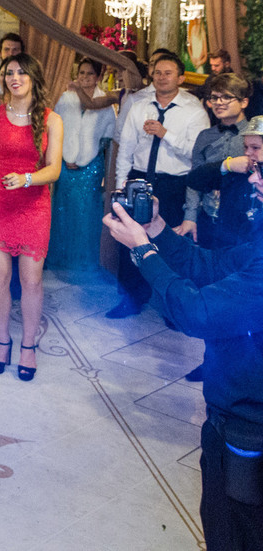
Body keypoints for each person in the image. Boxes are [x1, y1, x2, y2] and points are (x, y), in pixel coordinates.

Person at [103, 194, 263, 551]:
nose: (253, 177)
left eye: (262, 167)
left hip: (248, 431)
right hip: (234, 420)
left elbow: (197, 312)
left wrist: (144, 253)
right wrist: (156, 230)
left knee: (234, 535)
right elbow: (211, 265)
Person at [0, 53, 63, 381]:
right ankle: (2, 341)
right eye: (9, 73)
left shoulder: (52, 120)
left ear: (34, 79)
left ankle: (28, 346)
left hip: (33, 206)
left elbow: (54, 169)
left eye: (22, 73)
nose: (15, 78)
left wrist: (27, 178)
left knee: (31, 280)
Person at [108, 52, 209, 318]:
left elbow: (197, 154)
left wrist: (166, 134)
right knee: (130, 241)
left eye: (168, 73)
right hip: (139, 178)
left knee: (170, 244)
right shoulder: (140, 105)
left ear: (181, 77)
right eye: (157, 73)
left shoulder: (193, 110)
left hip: (173, 183)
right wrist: (120, 185)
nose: (162, 77)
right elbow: (126, 149)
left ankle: (172, 306)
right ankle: (131, 298)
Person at [47, 58, 116, 272]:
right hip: (65, 164)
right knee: (63, 210)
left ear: (98, 77)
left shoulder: (103, 101)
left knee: (86, 212)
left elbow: (107, 138)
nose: (84, 78)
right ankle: (60, 257)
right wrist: (64, 156)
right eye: (81, 73)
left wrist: (92, 160)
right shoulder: (66, 98)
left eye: (89, 74)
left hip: (91, 166)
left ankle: (84, 261)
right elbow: (55, 129)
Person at [185, 73, 252, 250]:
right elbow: (194, 179)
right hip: (208, 217)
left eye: (226, 97)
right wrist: (190, 217)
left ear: (244, 102)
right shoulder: (205, 136)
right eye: (214, 97)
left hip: (242, 223)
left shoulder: (253, 137)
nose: (219, 102)